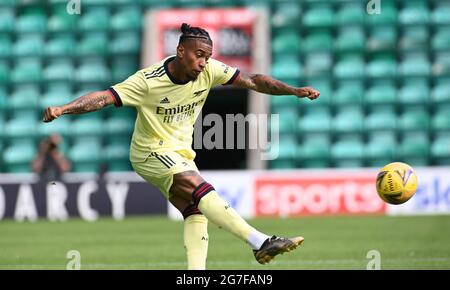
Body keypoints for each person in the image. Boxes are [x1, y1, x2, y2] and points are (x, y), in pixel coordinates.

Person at [42, 23, 320, 269]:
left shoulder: (210, 70)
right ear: (180, 51)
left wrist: (293, 90)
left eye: (207, 57)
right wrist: (63, 109)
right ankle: (259, 242)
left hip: (180, 152)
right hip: (150, 152)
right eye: (199, 55)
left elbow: (254, 81)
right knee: (200, 189)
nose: (204, 63)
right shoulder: (147, 82)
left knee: (195, 209)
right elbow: (104, 97)